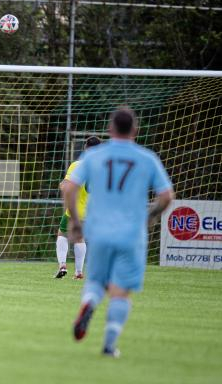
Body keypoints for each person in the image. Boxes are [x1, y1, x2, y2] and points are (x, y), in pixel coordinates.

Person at [64, 107, 174, 357]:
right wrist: (151, 215)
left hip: (99, 229)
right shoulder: (146, 158)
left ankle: (89, 303)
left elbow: (69, 189)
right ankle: (109, 345)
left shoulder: (93, 157)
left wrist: (76, 221)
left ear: (110, 129)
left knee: (95, 281)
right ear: (135, 130)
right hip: (131, 232)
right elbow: (167, 195)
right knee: (121, 290)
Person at [54, 136, 102, 279]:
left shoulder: (78, 165)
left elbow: (66, 185)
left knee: (62, 234)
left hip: (74, 209)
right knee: (80, 238)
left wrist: (62, 185)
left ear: (86, 148)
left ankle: (62, 264)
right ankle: (79, 272)